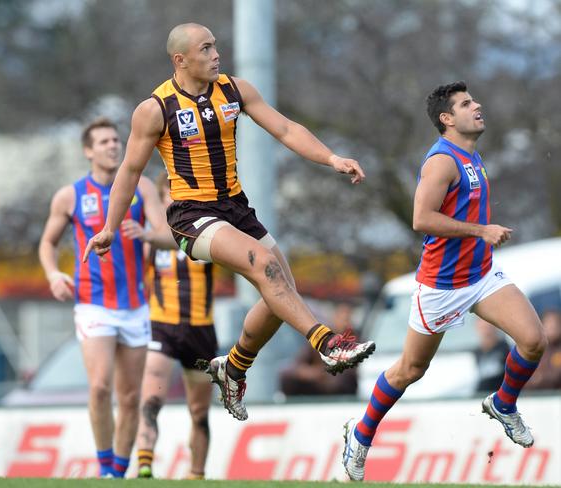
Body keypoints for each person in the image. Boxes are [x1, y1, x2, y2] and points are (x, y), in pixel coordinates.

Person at [82, 23, 375, 422]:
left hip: (235, 207)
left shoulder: (234, 90)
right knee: (264, 265)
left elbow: (286, 128)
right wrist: (109, 228)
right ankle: (327, 344)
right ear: (180, 60)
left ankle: (233, 368)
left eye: (215, 46)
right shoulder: (156, 108)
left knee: (280, 292)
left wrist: (332, 159)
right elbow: (130, 172)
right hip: (191, 215)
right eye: (206, 49)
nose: (216, 54)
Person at [342, 81, 547, 481]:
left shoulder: (472, 154)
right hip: (441, 285)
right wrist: (480, 230)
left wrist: (481, 239)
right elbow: (421, 219)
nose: (478, 105)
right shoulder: (441, 161)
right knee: (410, 369)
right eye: (467, 103)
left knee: (534, 339)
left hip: (482, 274)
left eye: (474, 100)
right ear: (446, 119)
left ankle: (503, 404)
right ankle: (361, 436)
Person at [38, 117, 171, 478]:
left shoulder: (141, 188)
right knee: (99, 388)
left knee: (130, 398)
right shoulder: (71, 196)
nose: (113, 145)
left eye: (116, 139)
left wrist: (146, 233)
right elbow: (47, 243)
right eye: (104, 142)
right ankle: (103, 466)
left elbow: (168, 235)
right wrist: (53, 274)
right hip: (93, 303)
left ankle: (117, 473)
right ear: (88, 151)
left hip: (135, 307)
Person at [132, 172, 217, 480]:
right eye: (167, 193)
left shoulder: (205, 232)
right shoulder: (151, 238)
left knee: (199, 411)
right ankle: (144, 462)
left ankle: (197, 474)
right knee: (152, 397)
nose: (173, 199)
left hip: (200, 330)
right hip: (162, 326)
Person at [279, 303, 358, 396]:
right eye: (343, 319)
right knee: (287, 377)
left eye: (348, 319)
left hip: (338, 387)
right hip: (317, 382)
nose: (345, 324)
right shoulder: (322, 338)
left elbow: (349, 374)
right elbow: (296, 366)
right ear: (335, 318)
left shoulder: (355, 342)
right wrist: (312, 373)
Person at [525, 309, 561, 390]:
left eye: (555, 324)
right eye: (549, 324)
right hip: (533, 398)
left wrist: (540, 378)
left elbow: (557, 376)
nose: (552, 327)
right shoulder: (533, 348)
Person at [474, 317, 510, 392]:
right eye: (483, 325)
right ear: (477, 326)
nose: (486, 328)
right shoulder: (475, 354)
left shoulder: (505, 351)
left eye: (488, 324)